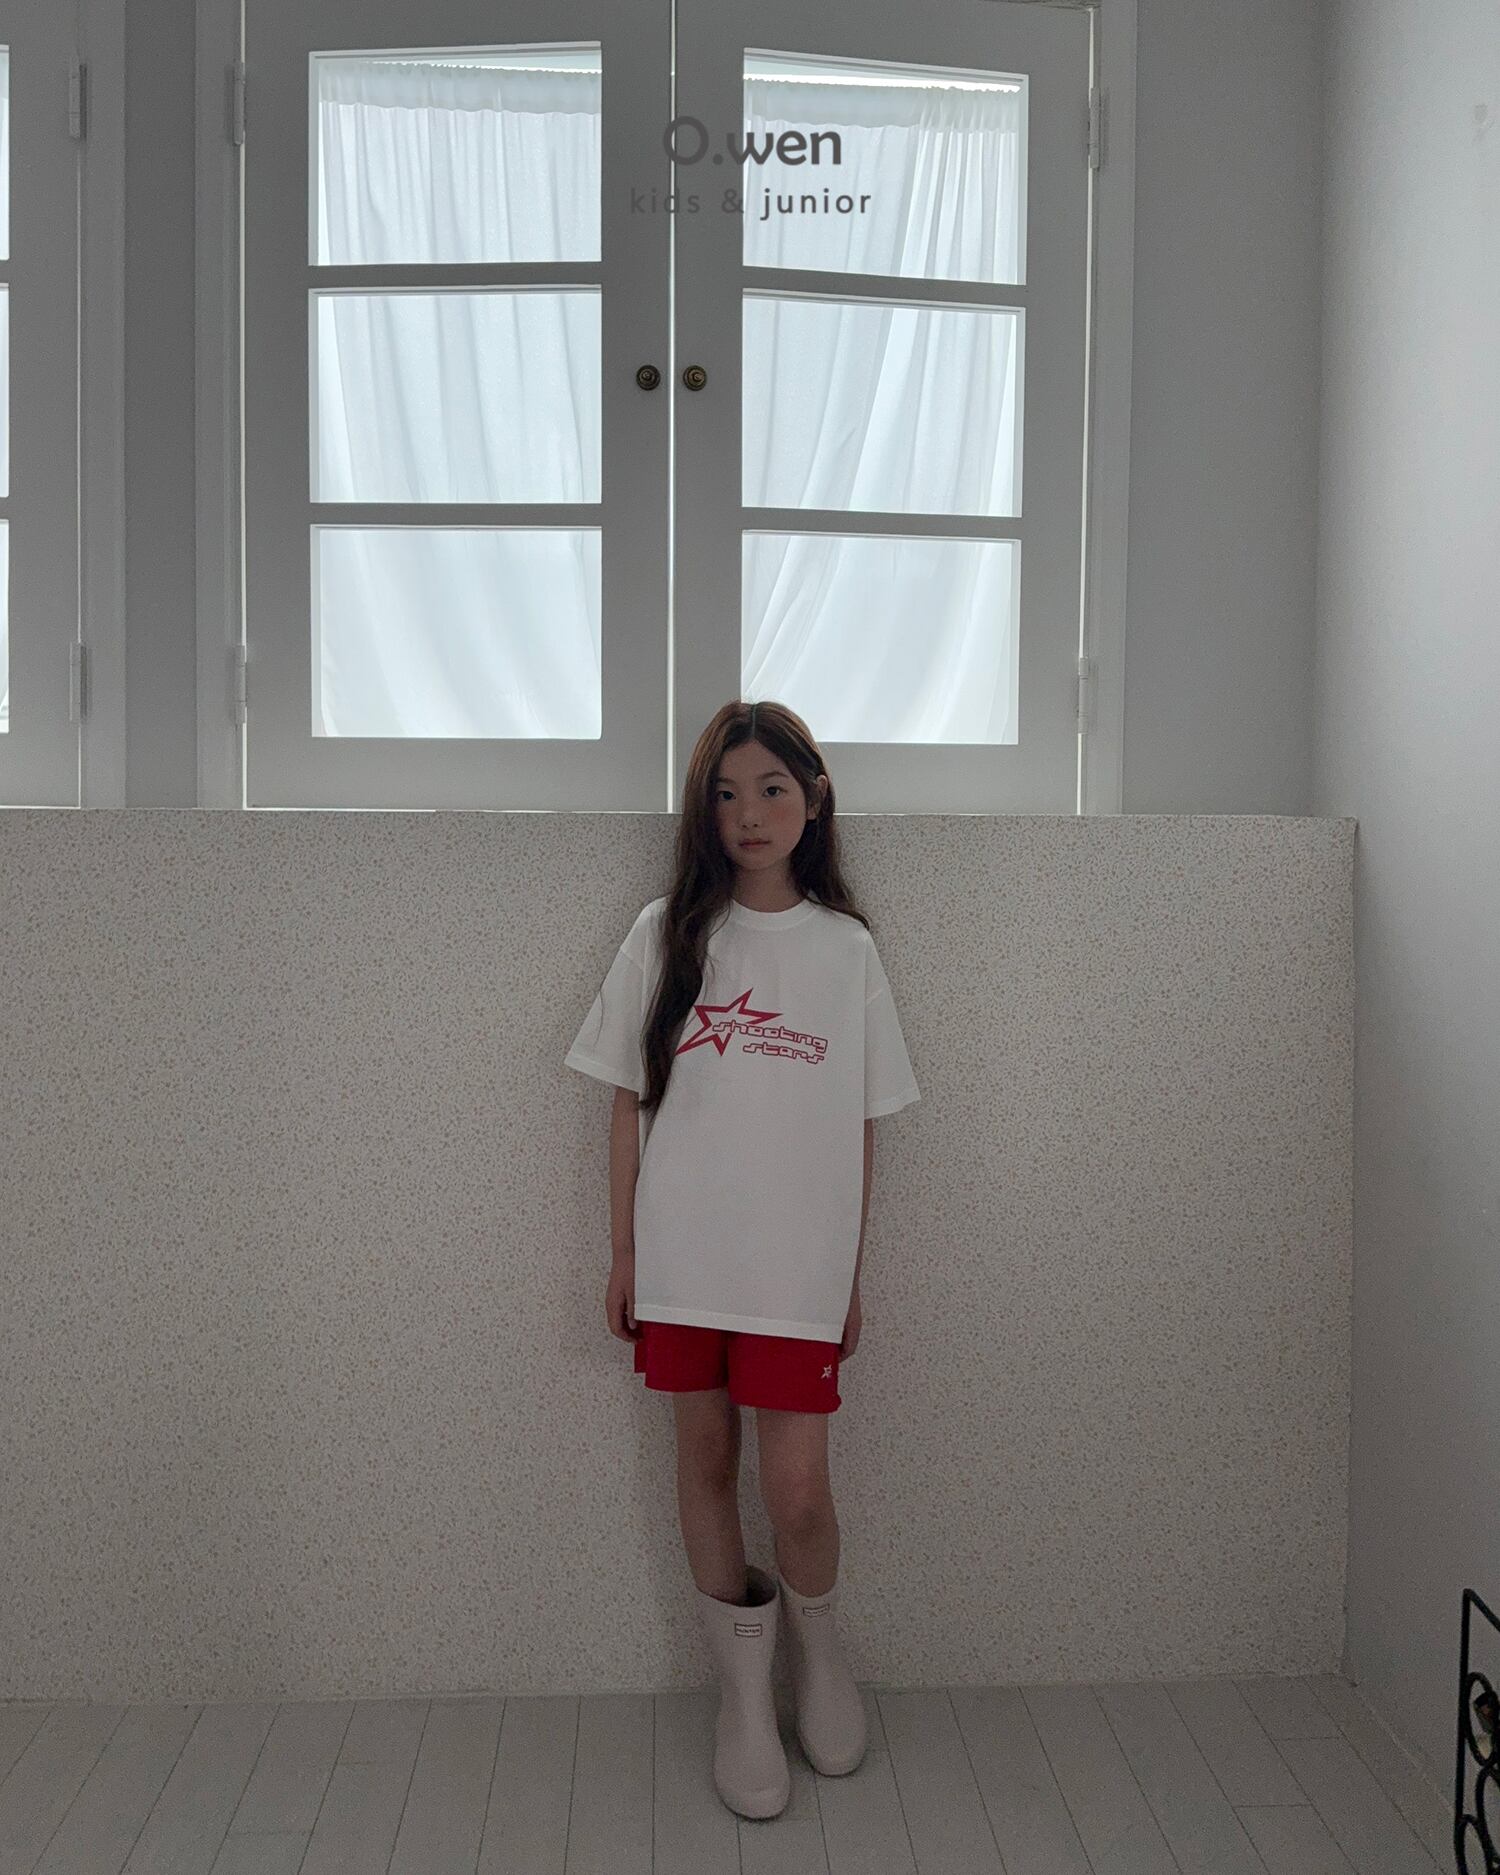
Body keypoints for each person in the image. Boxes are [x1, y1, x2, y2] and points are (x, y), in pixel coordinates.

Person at [564, 698, 920, 1819]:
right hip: (683, 1259)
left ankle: (821, 1654)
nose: (749, 813)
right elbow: (626, 1105)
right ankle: (744, 1698)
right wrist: (625, 1250)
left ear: (813, 799)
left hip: (795, 1270)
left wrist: (847, 1275)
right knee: (706, 1461)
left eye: (771, 789)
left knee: (798, 1491)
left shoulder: (847, 949)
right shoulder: (666, 934)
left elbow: (861, 1124)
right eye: (725, 794)